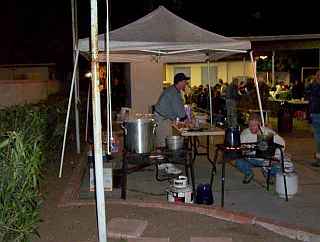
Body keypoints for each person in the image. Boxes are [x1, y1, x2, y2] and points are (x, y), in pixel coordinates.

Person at [235, 113, 285, 184]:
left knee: (281, 168)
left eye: (254, 125)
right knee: (238, 162)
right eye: (250, 125)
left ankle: (268, 173)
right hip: (251, 159)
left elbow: (282, 143)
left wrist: (276, 156)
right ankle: (249, 173)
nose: (251, 127)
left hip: (266, 160)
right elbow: (240, 148)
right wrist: (242, 151)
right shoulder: (245, 133)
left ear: (260, 124)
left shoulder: (268, 132)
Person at [154, 72, 189, 147]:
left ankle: (163, 156)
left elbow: (176, 107)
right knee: (163, 143)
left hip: (163, 118)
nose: (186, 83)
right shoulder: (174, 92)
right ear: (179, 82)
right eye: (184, 81)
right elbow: (179, 109)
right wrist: (186, 120)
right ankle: (162, 157)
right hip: (162, 119)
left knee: (165, 140)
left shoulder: (173, 90)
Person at [306, 71, 320, 167]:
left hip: (316, 113)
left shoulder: (314, 87)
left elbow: (307, 92)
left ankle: (319, 159)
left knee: (318, 137)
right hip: (315, 113)